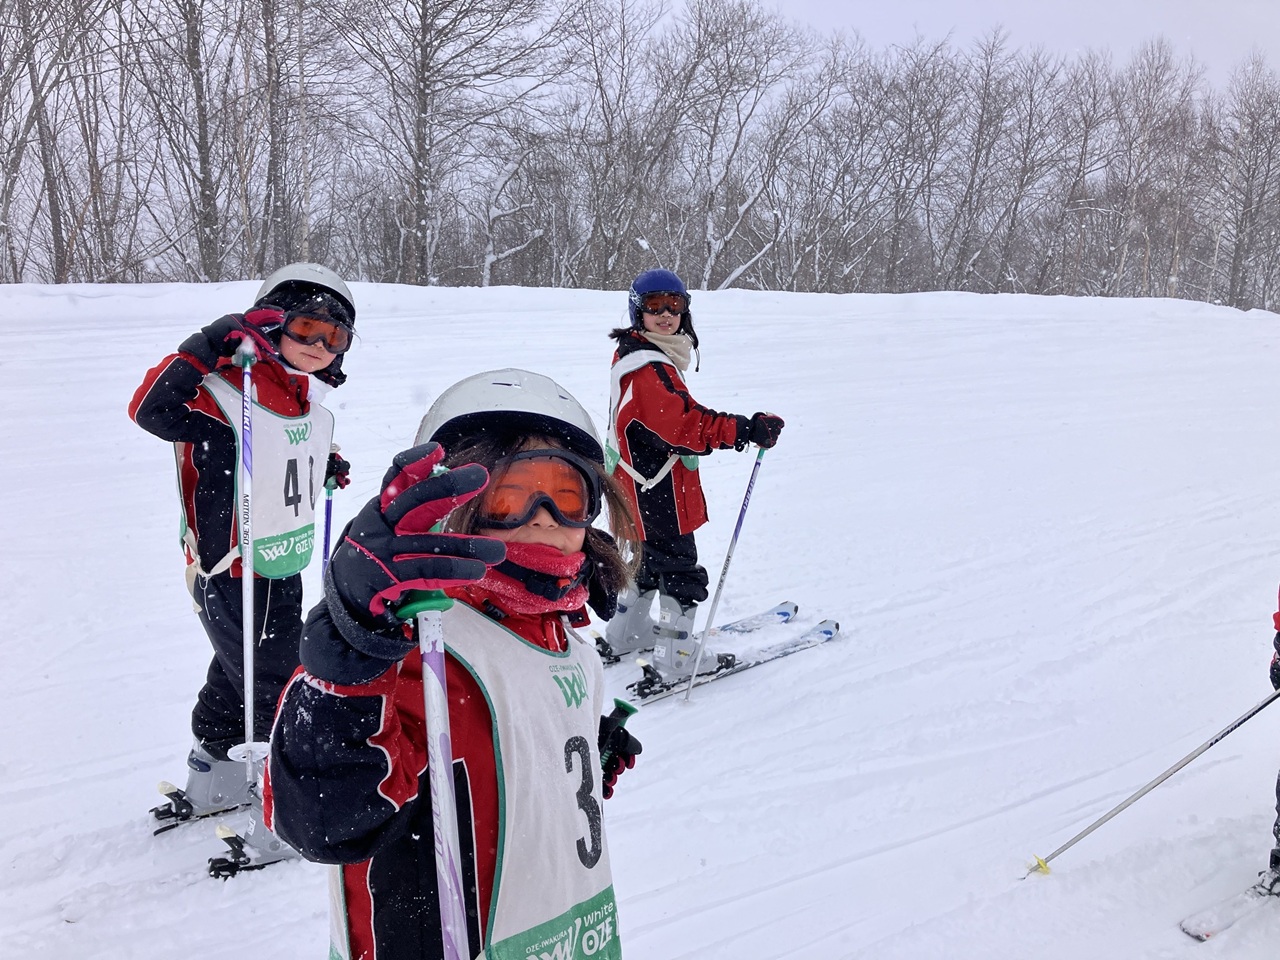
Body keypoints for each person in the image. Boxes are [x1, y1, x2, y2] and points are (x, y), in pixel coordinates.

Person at [264, 369, 643, 960]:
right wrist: (351, 652)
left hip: (571, 936)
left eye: (566, 495)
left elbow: (510, 758)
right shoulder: (423, 651)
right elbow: (321, 818)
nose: (542, 517)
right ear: (453, 504)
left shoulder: (568, 640)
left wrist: (585, 751)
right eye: (509, 496)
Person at [128, 262, 356, 831]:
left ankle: (215, 775)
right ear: (269, 324)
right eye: (307, 328)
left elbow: (276, 452)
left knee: (240, 673)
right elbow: (149, 409)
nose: (320, 346)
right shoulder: (226, 389)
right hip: (230, 569)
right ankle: (291, 807)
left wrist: (322, 465)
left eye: (336, 337)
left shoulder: (296, 395)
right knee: (274, 684)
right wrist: (210, 343)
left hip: (280, 558)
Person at [600, 268, 784, 683]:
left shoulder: (634, 352)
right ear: (637, 311)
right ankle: (676, 655)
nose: (666, 315)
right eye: (654, 306)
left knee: (649, 562)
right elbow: (685, 426)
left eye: (675, 305)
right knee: (679, 568)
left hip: (632, 484)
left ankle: (626, 632)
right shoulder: (649, 368)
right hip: (656, 487)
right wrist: (747, 428)